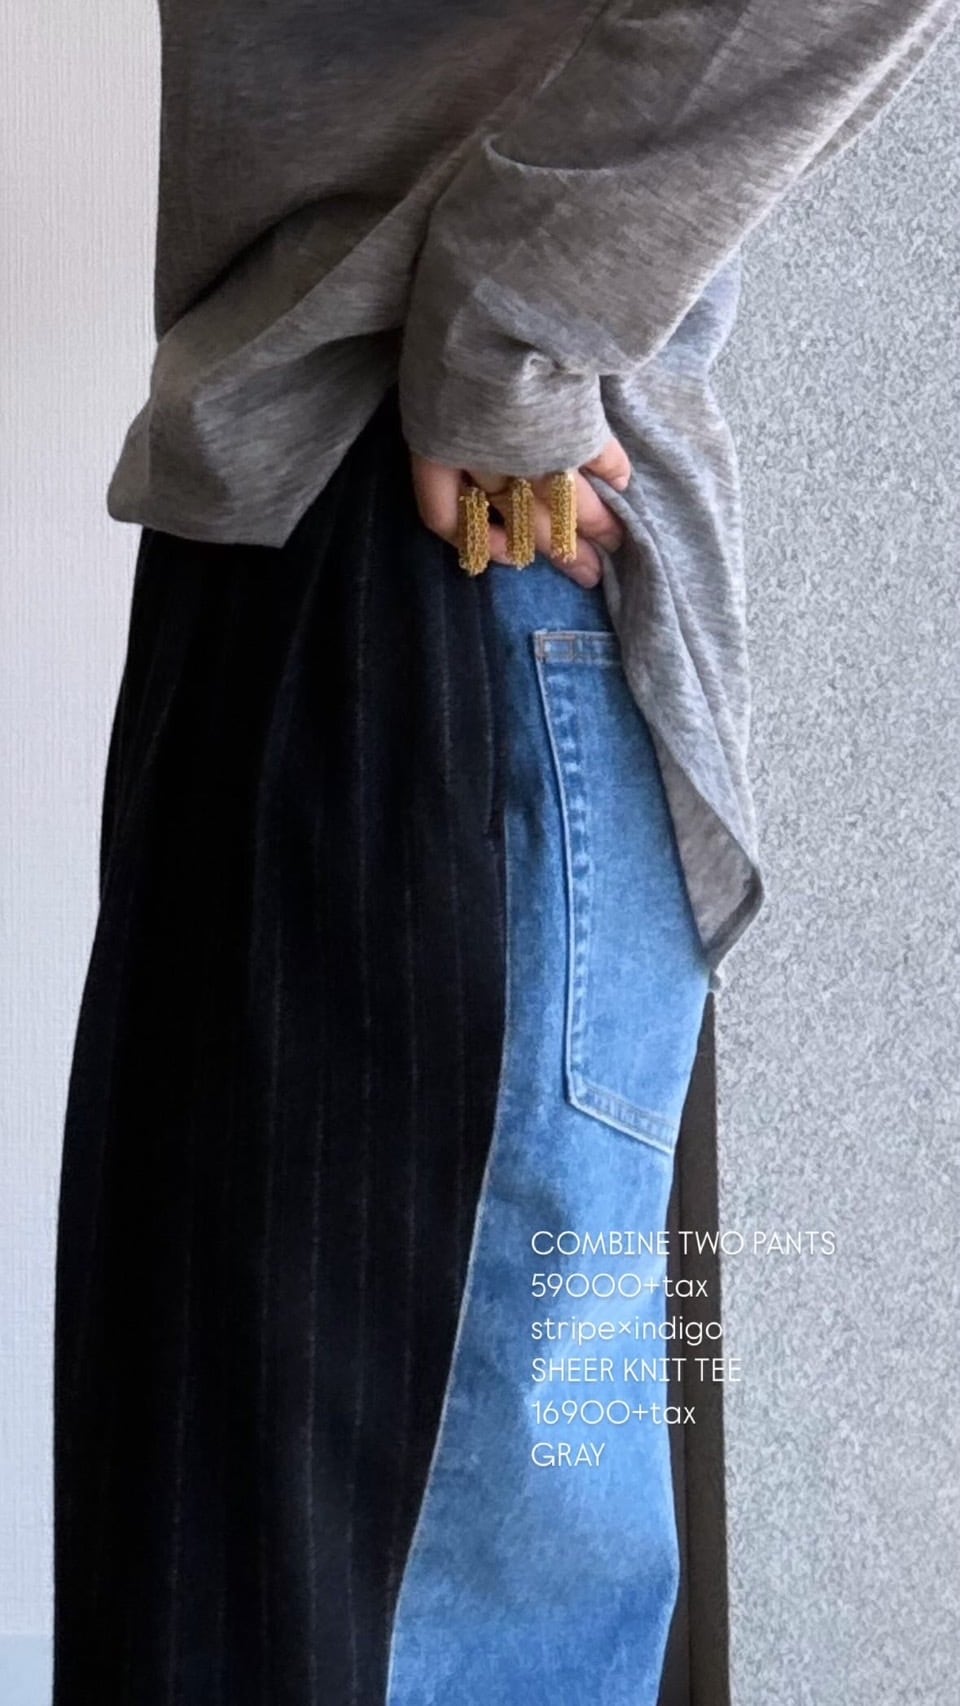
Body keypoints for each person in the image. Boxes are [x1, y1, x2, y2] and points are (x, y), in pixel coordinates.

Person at [52, 3, 956, 1703]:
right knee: (241, 1573)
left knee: (387, 1599)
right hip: (293, 535)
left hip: (455, 552)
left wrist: (510, 323)